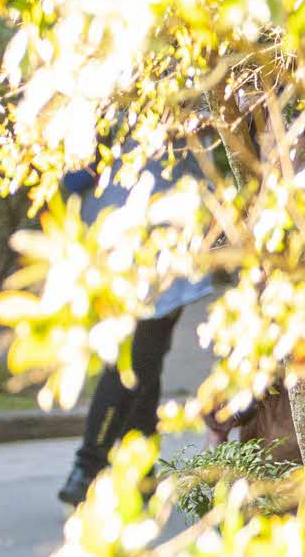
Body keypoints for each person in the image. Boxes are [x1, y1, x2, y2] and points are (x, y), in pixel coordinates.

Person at [56, 151, 225, 506]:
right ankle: (92, 466)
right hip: (142, 239)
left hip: (130, 239)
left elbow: (72, 175)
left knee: (143, 358)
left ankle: (134, 473)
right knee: (137, 360)